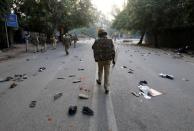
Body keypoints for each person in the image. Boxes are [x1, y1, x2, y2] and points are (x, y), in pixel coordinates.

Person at [92, 29, 115, 94]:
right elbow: (113, 50)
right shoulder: (110, 41)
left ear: (99, 35)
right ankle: (106, 87)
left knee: (100, 70)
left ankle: (99, 80)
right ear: (105, 34)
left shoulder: (97, 41)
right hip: (108, 60)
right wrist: (113, 60)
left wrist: (96, 41)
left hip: (100, 59)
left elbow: (93, 47)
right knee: (107, 74)